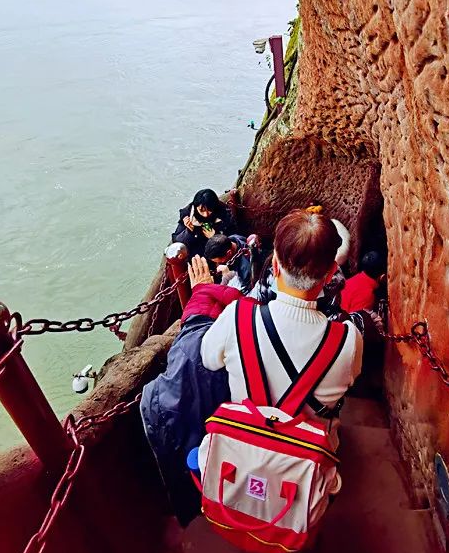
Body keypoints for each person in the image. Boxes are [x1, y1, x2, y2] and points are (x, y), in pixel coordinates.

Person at [201, 209, 363, 439]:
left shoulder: (236, 317)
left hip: (245, 448)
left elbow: (208, 359)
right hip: (308, 458)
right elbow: (351, 377)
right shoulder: (349, 339)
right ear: (330, 275)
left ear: (275, 265)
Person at [140, 255, 247, 526]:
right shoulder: (243, 324)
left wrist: (202, 290)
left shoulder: (193, 340)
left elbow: (198, 327)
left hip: (180, 432)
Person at [171, 188, 237, 258]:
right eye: (201, 210)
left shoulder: (224, 214)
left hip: (216, 255)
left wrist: (215, 237)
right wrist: (189, 232)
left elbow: (233, 237)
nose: (205, 214)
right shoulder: (188, 214)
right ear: (196, 207)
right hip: (195, 253)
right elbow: (177, 241)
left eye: (209, 210)